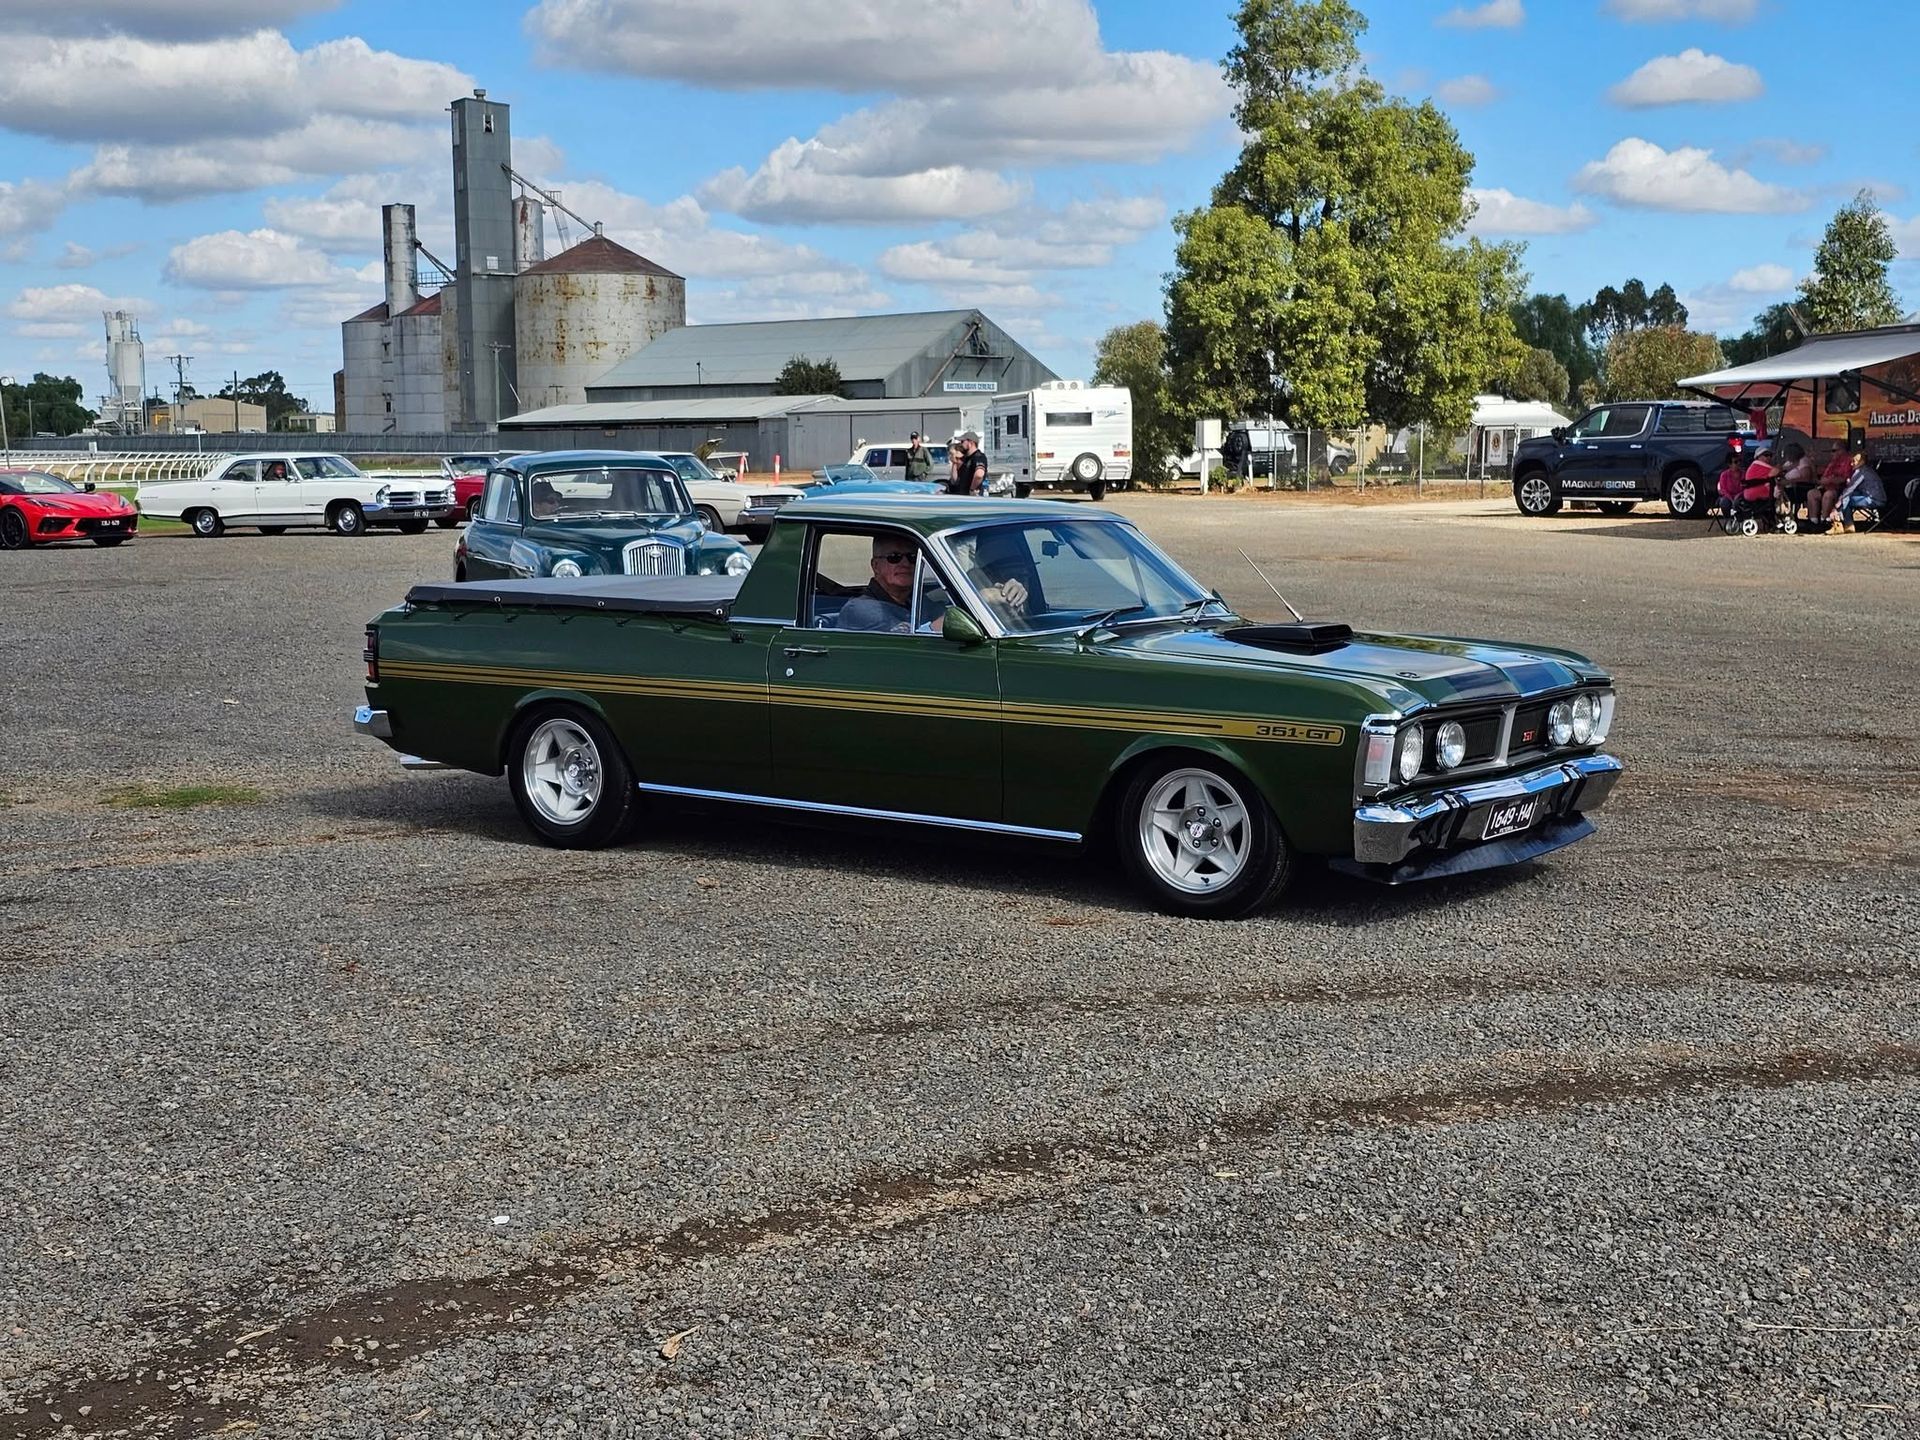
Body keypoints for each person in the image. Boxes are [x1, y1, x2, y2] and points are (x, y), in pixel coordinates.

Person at [837, 536, 941, 632]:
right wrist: (930, 628)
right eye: (894, 557)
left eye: (912, 557)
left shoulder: (915, 599)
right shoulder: (859, 609)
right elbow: (904, 639)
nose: (905, 564)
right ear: (876, 566)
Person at [1832, 450, 1885, 532]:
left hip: (1873, 500)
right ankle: (1840, 522)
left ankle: (1846, 525)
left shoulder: (1861, 472)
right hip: (1877, 498)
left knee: (1846, 499)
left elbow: (1850, 488)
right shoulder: (1868, 470)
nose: (1851, 464)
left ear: (1861, 462)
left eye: (1854, 461)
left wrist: (1837, 504)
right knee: (1847, 497)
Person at [1807, 446, 1852, 526]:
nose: (1832, 453)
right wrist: (1827, 480)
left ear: (1842, 450)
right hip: (1827, 487)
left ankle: (1825, 521)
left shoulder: (1848, 461)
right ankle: (1813, 521)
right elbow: (1823, 478)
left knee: (1828, 495)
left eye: (1834, 451)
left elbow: (1846, 478)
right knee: (1812, 493)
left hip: (1841, 490)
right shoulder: (1832, 463)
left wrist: (1831, 480)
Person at [1776, 442, 1814, 517]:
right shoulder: (1790, 462)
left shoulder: (1803, 461)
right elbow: (1780, 469)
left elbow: (1806, 478)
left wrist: (1788, 482)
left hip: (1799, 489)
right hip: (1786, 486)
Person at [948, 430, 989, 497]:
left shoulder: (978, 456)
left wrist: (972, 489)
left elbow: (979, 475)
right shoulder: (966, 459)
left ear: (970, 442)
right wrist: (955, 463)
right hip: (963, 496)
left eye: (962, 441)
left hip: (973, 498)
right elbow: (954, 481)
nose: (961, 444)